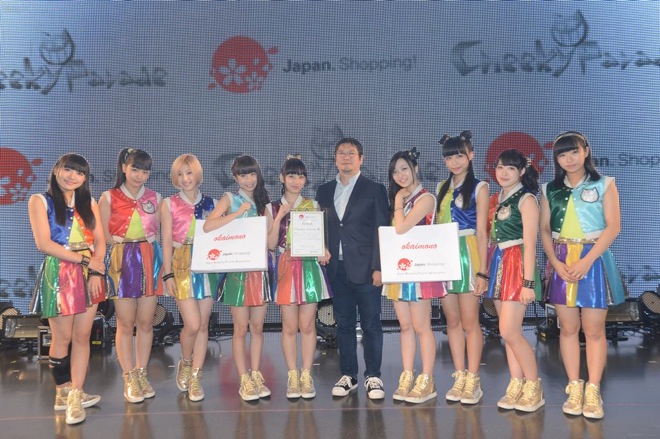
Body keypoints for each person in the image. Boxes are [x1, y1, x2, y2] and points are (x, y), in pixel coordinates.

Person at [540, 131, 625, 420]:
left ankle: (593, 390)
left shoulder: (605, 184)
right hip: (561, 261)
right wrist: (555, 262)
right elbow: (544, 230)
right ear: (557, 159)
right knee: (567, 329)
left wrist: (587, 261)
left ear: (586, 151)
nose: (569, 159)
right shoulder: (549, 189)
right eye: (562, 154)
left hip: (594, 260)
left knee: (594, 330)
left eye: (574, 151)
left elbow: (613, 226)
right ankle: (574, 387)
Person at [28, 154, 105, 425]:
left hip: (89, 273)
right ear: (56, 170)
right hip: (59, 271)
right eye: (68, 170)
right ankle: (62, 390)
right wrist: (85, 261)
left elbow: (100, 241)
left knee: (83, 336)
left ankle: (75, 394)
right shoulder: (40, 201)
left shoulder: (89, 203)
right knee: (62, 338)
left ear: (85, 178)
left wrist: (95, 270)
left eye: (80, 173)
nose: (73, 176)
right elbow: (44, 244)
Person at [316, 137, 389, 400]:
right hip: (336, 269)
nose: (345, 157)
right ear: (335, 158)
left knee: (371, 324)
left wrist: (379, 267)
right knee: (344, 325)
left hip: (367, 269)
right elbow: (319, 228)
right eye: (341, 153)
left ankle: (373, 376)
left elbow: (382, 229)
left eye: (351, 153)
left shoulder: (374, 189)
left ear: (361, 158)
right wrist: (320, 247)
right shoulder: (323, 191)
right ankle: (349, 375)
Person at [203, 155, 272, 402]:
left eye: (252, 174)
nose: (249, 180)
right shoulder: (230, 199)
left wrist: (276, 218)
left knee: (258, 327)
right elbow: (208, 226)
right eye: (243, 175)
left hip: (259, 270)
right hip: (237, 271)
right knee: (240, 328)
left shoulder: (264, 202)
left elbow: (270, 240)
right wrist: (237, 213)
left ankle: (256, 374)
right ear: (235, 178)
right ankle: (243, 378)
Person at [99, 148, 163, 404]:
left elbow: (163, 232)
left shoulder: (156, 198)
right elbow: (102, 235)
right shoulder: (108, 197)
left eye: (145, 171)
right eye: (135, 169)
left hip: (149, 258)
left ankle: (142, 373)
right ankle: (129, 376)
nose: (139, 175)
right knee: (125, 323)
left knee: (146, 322)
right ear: (124, 167)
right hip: (122, 259)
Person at [382, 148, 445, 403]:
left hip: (420, 270)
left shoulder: (426, 198)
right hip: (400, 269)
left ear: (415, 169)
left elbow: (402, 228)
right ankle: (407, 374)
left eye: (404, 169)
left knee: (421, 327)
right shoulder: (404, 199)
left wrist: (398, 200)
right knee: (405, 326)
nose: (400, 175)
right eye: (395, 172)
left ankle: (427, 379)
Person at [266, 156, 332, 399]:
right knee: (289, 326)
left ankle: (306, 374)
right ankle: (292, 376)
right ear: (282, 178)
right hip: (285, 265)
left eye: (301, 176)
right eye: (291, 175)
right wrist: (280, 217)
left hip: (309, 267)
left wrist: (324, 250)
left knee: (307, 325)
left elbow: (319, 239)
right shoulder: (272, 207)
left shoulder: (312, 205)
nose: (296, 181)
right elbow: (270, 244)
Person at [484, 149, 544, 413]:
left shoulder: (527, 199)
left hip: (517, 263)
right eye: (500, 167)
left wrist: (528, 283)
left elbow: (530, 244)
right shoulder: (498, 198)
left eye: (510, 168)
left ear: (522, 171)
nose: (504, 173)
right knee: (507, 332)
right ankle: (516, 383)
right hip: (499, 261)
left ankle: (534, 386)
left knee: (509, 330)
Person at [161, 154, 222, 402]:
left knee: (204, 325)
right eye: (180, 174)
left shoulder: (213, 203)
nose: (185, 178)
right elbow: (166, 241)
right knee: (193, 325)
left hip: (207, 263)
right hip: (181, 263)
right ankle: (185, 362)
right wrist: (167, 274)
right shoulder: (169, 204)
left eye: (189, 173)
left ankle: (196, 376)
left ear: (197, 174)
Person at [435, 131, 489, 405]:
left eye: (459, 155)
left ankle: (473, 379)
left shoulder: (480, 187)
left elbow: (482, 232)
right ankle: (459, 376)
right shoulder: (440, 188)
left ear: (471, 155)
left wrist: (482, 271)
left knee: (470, 322)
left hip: (468, 254)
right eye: (449, 157)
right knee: (452, 322)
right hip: (444, 256)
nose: (454, 162)